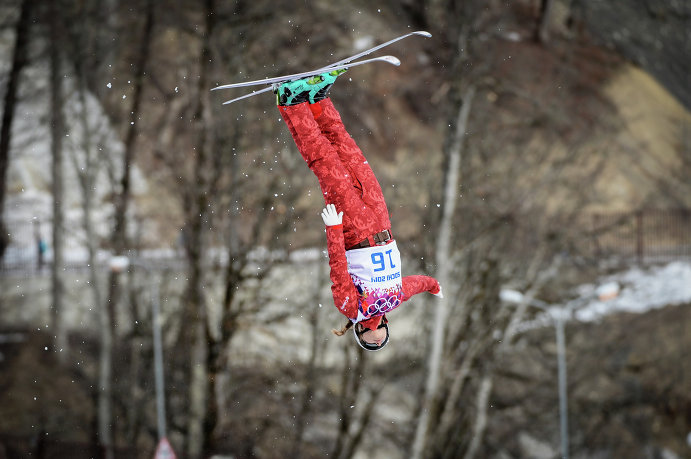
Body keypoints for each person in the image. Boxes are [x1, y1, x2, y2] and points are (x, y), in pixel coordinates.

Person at [275, 70, 442, 351]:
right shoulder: (395, 298)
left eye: (369, 337)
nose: (375, 332)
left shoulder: (351, 308)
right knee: (350, 154)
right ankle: (317, 100)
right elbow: (417, 284)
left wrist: (334, 229)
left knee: (326, 161)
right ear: (388, 327)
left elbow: (338, 267)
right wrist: (434, 285)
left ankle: (292, 104)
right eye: (381, 336)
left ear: (358, 332)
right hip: (381, 223)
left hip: (354, 231)